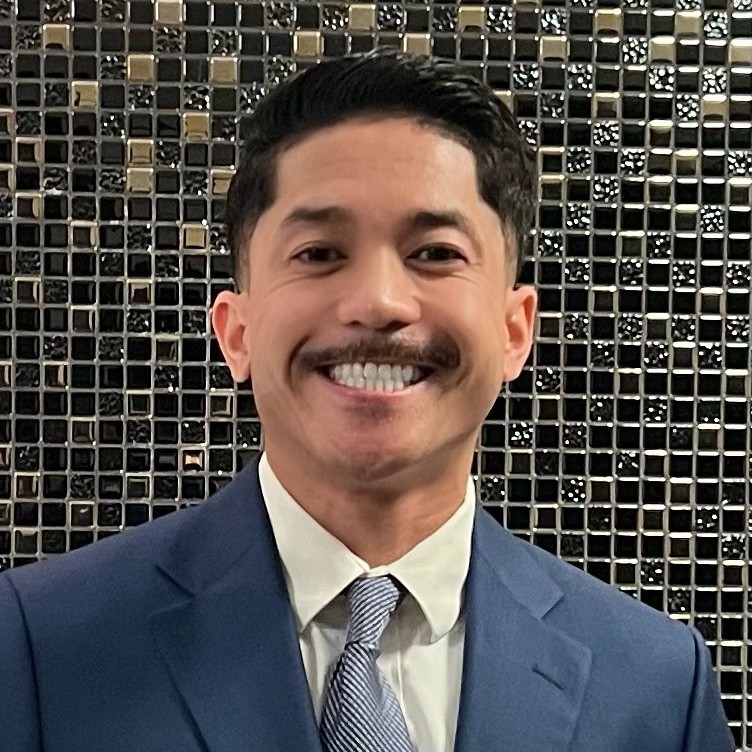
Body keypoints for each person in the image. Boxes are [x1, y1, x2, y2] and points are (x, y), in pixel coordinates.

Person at [0, 48, 734, 752]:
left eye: (435, 254)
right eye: (319, 253)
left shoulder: (654, 687)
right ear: (237, 332)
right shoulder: (39, 643)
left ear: (515, 330)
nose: (379, 302)